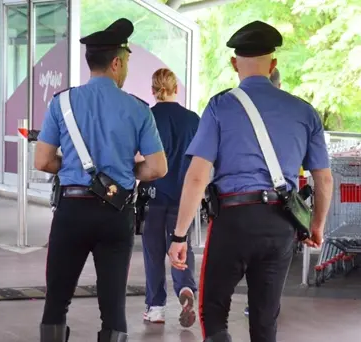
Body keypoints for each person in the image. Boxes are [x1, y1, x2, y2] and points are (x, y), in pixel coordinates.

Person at [167, 20, 333, 342]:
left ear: (233, 64)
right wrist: (316, 225)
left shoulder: (220, 106)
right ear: (273, 65)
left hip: (234, 219)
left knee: (213, 310)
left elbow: (198, 176)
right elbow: (323, 179)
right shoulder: (304, 111)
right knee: (265, 315)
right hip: (282, 224)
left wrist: (179, 235)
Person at [35, 18, 168, 342]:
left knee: (56, 301)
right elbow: (157, 168)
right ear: (116, 62)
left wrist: (74, 169)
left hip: (71, 210)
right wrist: (122, 173)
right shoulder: (138, 109)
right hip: (115, 211)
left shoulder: (61, 103)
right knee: (113, 305)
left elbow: (42, 161)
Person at [141, 68, 199, 327]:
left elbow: (138, 156)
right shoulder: (193, 120)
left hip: (153, 195)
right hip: (184, 196)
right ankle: (186, 290)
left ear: (153, 91)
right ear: (177, 88)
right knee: (180, 244)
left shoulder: (147, 117)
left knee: (153, 252)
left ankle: (155, 308)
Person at [245, 66, 281, 317]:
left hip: (240, 205)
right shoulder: (297, 111)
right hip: (280, 209)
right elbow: (323, 177)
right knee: (271, 274)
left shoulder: (228, 106)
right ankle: (263, 306)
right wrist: (317, 225)